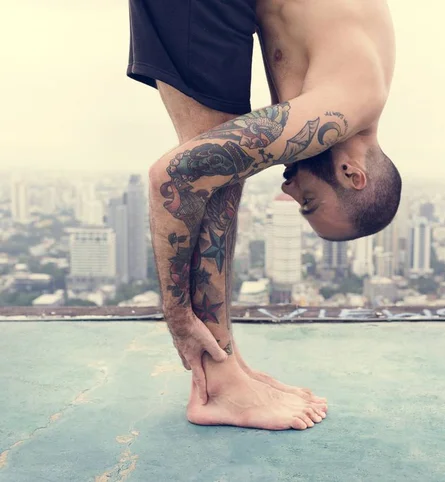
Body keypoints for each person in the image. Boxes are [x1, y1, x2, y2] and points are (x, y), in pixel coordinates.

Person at [128, 0, 401, 430]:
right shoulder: (345, 106)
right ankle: (220, 386)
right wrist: (178, 317)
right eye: (308, 201)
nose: (288, 189)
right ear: (353, 174)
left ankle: (226, 366)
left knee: (221, 162)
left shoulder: (360, 77)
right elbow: (174, 177)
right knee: (209, 166)